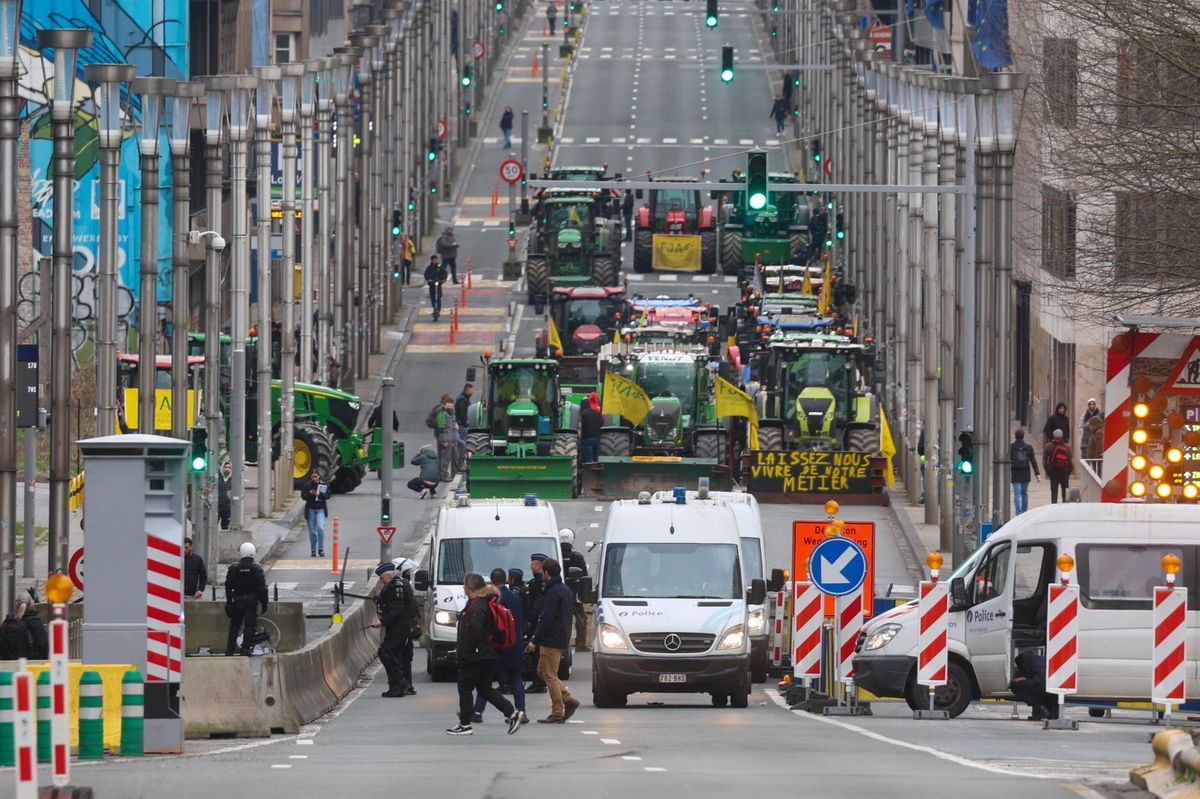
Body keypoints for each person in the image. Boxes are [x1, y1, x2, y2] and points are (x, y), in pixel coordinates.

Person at [447, 573, 525, 736]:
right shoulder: (485, 603)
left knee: (465, 688)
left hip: (476, 655)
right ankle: (512, 713)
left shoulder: (477, 606)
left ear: (470, 587)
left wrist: (465, 652)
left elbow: (475, 632)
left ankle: (465, 724)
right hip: (486, 654)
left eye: (464, 586)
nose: (463, 588)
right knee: (484, 689)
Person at [527, 558, 579, 723]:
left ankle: (558, 711)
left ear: (547, 573)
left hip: (551, 638)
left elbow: (546, 618)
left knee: (549, 675)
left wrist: (535, 639)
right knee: (542, 671)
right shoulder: (565, 590)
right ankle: (568, 699)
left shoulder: (552, 592)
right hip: (561, 636)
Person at [473, 568, 528, 725]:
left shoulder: (490, 599)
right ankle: (521, 712)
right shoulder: (516, 598)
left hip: (495, 646)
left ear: (491, 581)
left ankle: (477, 711)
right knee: (515, 678)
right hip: (513, 644)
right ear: (506, 580)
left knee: (485, 681)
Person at [372, 561, 416, 698]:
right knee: (391, 654)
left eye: (382, 578)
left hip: (400, 627)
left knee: (387, 652)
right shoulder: (393, 585)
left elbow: (398, 609)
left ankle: (400, 682)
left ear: (389, 576)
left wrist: (382, 621)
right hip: (398, 626)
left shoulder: (397, 586)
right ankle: (396, 685)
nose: (381, 581)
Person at [225, 542, 268, 657]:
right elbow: (262, 589)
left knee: (235, 625)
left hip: (237, 599)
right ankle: (245, 648)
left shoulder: (233, 568)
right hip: (252, 601)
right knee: (250, 625)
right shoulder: (257, 569)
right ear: (253, 553)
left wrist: (229, 602)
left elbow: (228, 587)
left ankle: (230, 648)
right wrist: (264, 603)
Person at [559, 528, 589, 651]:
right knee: (581, 618)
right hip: (574, 592)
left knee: (559, 619)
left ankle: (561, 642)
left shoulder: (555, 554)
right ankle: (580, 644)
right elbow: (585, 576)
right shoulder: (577, 556)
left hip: (559, 592)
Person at [523, 553, 549, 693]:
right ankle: (538, 681)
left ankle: (538, 682)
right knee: (536, 653)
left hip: (537, 622)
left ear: (539, 565)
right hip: (535, 622)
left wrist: (531, 616)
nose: (531, 566)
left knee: (537, 653)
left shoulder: (540, 583)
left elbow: (538, 604)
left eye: (533, 564)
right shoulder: (536, 582)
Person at [1009, 649, 1058, 721]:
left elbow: (1039, 679)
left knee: (1014, 684)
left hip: (1041, 685)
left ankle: (1039, 708)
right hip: (1055, 688)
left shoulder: (1024, 660)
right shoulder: (1042, 659)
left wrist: (1025, 679)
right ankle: (1053, 713)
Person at [1010, 429, 1041, 515]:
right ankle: (1024, 512)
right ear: (1023, 436)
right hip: (1025, 473)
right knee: (1024, 494)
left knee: (1017, 494)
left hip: (1015, 472)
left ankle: (1018, 512)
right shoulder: (1028, 447)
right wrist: (1037, 473)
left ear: (1015, 436)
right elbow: (1033, 461)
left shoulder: (1012, 447)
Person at [301, 469, 329, 557]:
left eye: (315, 477)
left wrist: (319, 494)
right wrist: (310, 493)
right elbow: (303, 497)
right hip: (311, 509)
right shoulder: (307, 485)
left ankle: (321, 549)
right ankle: (313, 550)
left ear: (319, 477)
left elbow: (328, 496)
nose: (314, 478)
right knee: (313, 531)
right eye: (312, 477)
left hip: (320, 509)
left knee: (320, 528)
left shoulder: (323, 485)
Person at [434, 394, 461, 481]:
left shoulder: (452, 413)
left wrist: (455, 425)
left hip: (454, 439)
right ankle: (444, 475)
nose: (449, 404)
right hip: (447, 439)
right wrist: (443, 440)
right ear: (445, 404)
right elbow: (440, 429)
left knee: (456, 457)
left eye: (451, 403)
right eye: (448, 403)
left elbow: (453, 423)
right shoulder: (442, 414)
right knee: (446, 458)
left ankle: (454, 474)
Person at [1043, 429, 1074, 504]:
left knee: (1054, 491)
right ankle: (1065, 505)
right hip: (1064, 472)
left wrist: (1048, 472)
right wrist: (1068, 472)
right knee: (1065, 491)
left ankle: (1054, 506)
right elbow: (1070, 461)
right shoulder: (1067, 447)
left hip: (1053, 472)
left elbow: (1044, 461)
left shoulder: (1048, 446)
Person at [580, 391, 602, 464]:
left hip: (587, 438)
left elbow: (581, 426)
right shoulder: (597, 413)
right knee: (596, 457)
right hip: (597, 438)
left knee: (589, 459)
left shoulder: (583, 413)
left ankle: (589, 471)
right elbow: (601, 423)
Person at [424, 254, 447, 321]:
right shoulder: (429, 268)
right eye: (434, 260)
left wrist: (443, 279)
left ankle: (438, 310)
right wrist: (429, 279)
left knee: (439, 297)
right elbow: (426, 274)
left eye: (436, 260)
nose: (436, 261)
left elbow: (444, 273)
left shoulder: (439, 266)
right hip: (432, 285)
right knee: (433, 298)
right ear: (432, 261)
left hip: (438, 285)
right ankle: (435, 308)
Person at [217, 461, 232, 530]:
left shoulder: (233, 479)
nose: (227, 469)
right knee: (213, 525)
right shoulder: (218, 478)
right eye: (225, 467)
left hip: (227, 507)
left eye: (229, 468)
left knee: (225, 526)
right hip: (217, 506)